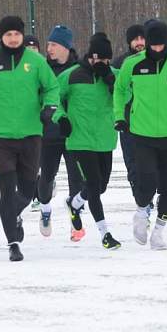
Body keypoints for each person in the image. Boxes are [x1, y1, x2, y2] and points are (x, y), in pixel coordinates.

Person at [0, 15, 59, 261]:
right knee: (7, 188)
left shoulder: (36, 62)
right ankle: (13, 244)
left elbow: (52, 87)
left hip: (30, 134)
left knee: (27, 191)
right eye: (8, 35)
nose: (14, 38)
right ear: (2, 37)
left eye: (17, 34)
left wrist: (50, 107)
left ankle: (14, 213)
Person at [113, 19, 167, 250]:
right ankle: (141, 213)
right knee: (147, 180)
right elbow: (120, 91)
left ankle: (159, 231)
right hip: (142, 133)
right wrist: (119, 116)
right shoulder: (133, 64)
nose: (157, 49)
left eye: (162, 45)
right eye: (153, 45)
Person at [55, 32, 122, 249]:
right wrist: (61, 118)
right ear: (90, 57)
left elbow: (129, 96)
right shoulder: (71, 75)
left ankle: (74, 204)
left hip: (105, 139)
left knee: (100, 186)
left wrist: (113, 84)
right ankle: (105, 234)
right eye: (99, 59)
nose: (102, 63)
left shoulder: (114, 75)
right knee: (93, 185)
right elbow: (52, 98)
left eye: (106, 60)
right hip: (80, 140)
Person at [36, 24, 83, 240]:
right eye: (48, 44)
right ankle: (45, 208)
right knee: (46, 178)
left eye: (54, 44)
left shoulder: (79, 69)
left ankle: (76, 219)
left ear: (66, 47)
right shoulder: (42, 69)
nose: (49, 48)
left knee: (77, 179)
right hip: (48, 135)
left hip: (73, 135)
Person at [112, 24, 147, 204]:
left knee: (150, 163)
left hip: (150, 120)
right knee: (132, 164)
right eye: (136, 39)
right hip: (128, 122)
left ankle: (148, 193)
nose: (139, 42)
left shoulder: (154, 60)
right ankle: (140, 199)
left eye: (142, 38)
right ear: (129, 42)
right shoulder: (119, 63)